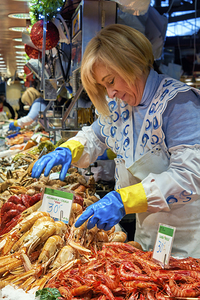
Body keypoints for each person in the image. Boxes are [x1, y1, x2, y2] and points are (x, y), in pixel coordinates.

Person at [32, 24, 200, 258]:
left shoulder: (179, 103)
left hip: (188, 242)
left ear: (133, 62)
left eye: (110, 81)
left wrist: (123, 200)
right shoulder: (121, 105)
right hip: (146, 238)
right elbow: (94, 135)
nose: (110, 94)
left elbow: (189, 177)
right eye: (103, 86)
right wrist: (69, 149)